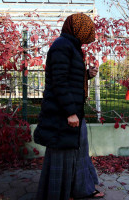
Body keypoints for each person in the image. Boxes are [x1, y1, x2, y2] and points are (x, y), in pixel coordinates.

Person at [34, 13, 104, 200]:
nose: (89, 34)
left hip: (72, 112)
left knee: (78, 152)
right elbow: (59, 82)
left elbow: (69, 78)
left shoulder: (71, 47)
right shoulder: (61, 46)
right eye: (86, 30)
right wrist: (70, 113)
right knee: (61, 154)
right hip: (61, 114)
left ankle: (80, 189)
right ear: (77, 29)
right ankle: (60, 193)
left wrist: (87, 74)